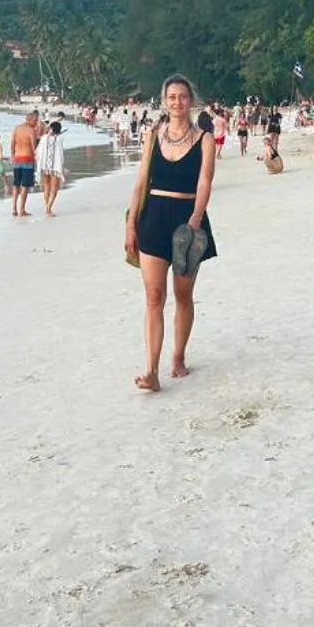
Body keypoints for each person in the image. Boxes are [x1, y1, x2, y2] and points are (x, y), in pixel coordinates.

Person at [122, 75, 217, 392]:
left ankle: (178, 356)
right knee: (153, 297)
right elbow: (140, 181)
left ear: (191, 101)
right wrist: (130, 223)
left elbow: (205, 182)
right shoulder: (153, 134)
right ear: (165, 101)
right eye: (172, 97)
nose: (177, 103)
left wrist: (195, 219)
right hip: (153, 219)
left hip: (187, 219)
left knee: (182, 294)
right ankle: (151, 370)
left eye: (183, 97)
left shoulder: (204, 139)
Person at [8, 111, 39, 217]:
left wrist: (12, 155)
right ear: (28, 120)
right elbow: (34, 146)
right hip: (27, 159)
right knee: (25, 185)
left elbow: (12, 144)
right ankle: (22, 210)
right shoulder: (31, 130)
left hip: (17, 159)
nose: (36, 123)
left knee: (16, 184)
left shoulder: (16, 128)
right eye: (35, 121)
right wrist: (37, 158)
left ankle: (13, 208)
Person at [36, 118, 67, 217]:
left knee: (46, 188)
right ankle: (48, 209)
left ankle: (47, 207)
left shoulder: (44, 138)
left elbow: (38, 150)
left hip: (44, 166)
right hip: (55, 167)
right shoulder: (60, 139)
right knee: (54, 189)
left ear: (51, 129)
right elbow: (60, 154)